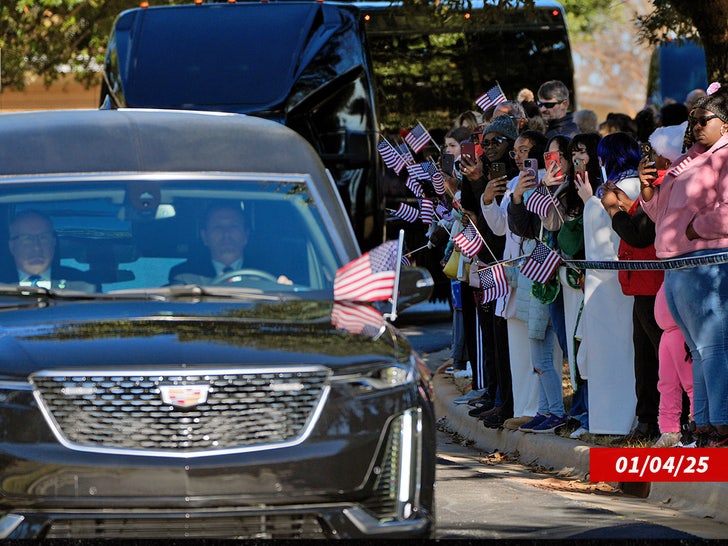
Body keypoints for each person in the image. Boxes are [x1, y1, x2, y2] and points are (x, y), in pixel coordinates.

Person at [640, 84, 728, 447]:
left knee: (714, 347)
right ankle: (704, 423)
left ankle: (722, 424)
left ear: (725, 124)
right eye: (692, 120)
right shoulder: (688, 157)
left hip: (706, 263)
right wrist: (648, 192)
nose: (695, 127)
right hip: (675, 265)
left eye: (703, 120)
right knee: (698, 349)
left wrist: (695, 228)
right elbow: (662, 215)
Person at [574, 132, 641, 436]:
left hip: (607, 282)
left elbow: (602, 230)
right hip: (625, 281)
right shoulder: (637, 186)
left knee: (610, 353)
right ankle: (628, 418)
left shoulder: (614, 190)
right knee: (628, 352)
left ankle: (611, 419)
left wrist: (590, 201)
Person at [458, 115, 519, 428]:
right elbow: (471, 207)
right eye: (486, 141)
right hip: (485, 258)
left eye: (498, 141)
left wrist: (485, 183)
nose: (490, 146)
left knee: (505, 335)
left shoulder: (517, 173)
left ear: (511, 143)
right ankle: (495, 394)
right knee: (492, 333)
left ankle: (506, 402)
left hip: (507, 260)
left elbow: (501, 225)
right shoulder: (480, 167)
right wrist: (473, 179)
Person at [169, 203, 292, 285]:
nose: (226, 233)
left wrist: (287, 295)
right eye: (218, 227)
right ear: (205, 237)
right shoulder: (185, 276)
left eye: (233, 226)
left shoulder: (268, 274)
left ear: (246, 236)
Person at [3, 210, 91, 291]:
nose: (36, 247)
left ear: (53, 242)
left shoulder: (82, 283)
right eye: (27, 239)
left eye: (43, 238)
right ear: (12, 246)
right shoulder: (2, 283)